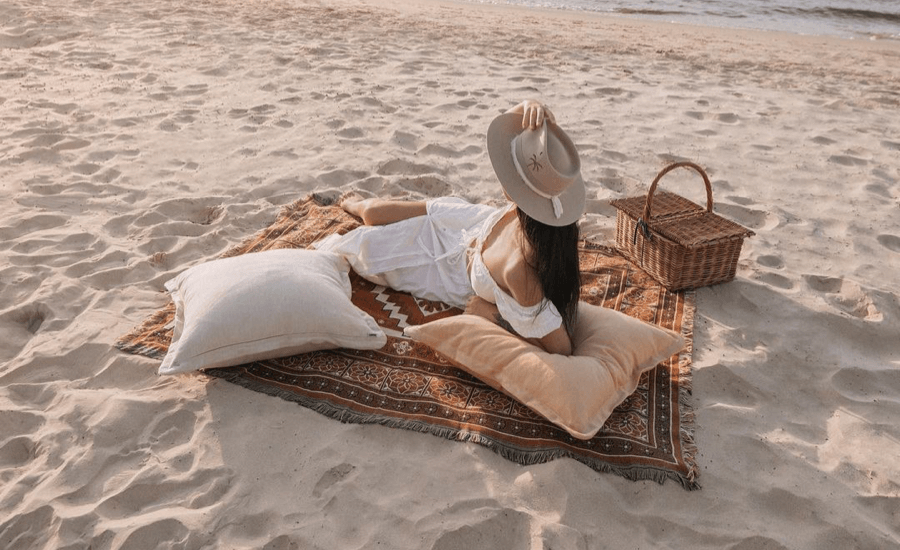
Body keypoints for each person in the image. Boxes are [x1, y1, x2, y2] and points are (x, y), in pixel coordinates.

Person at [317, 100, 585, 355]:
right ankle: (358, 206)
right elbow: (509, 128)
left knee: (358, 247)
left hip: (446, 269)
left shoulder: (520, 271)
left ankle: (360, 208)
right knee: (374, 212)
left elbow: (562, 349)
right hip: (472, 223)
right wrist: (532, 106)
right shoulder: (546, 220)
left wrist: (490, 315)